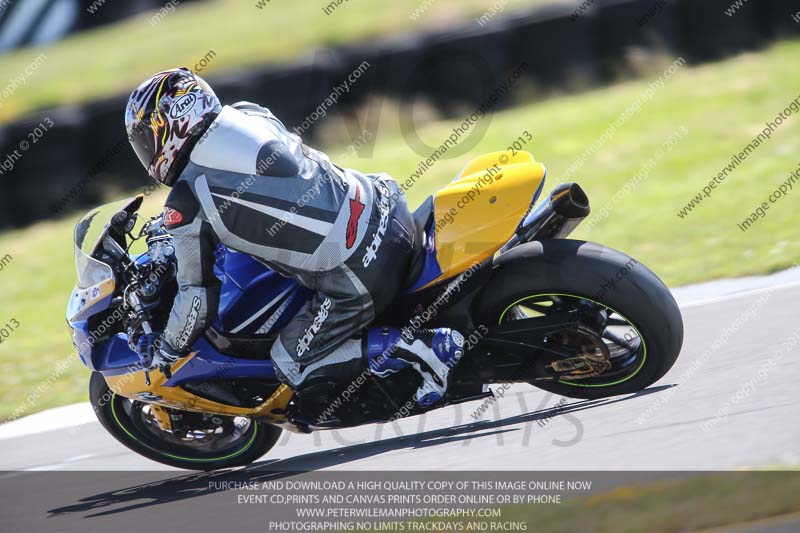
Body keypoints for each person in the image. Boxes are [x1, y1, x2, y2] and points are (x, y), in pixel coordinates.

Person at [125, 68, 463, 408]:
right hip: (384, 200)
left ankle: (415, 347)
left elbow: (197, 298)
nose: (146, 151)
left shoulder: (186, 201)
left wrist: (167, 350)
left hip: (359, 273)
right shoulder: (248, 113)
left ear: (167, 128)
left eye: (144, 140)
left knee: (288, 361)